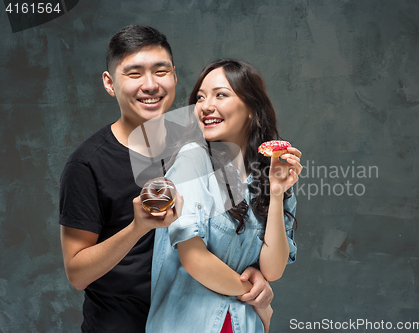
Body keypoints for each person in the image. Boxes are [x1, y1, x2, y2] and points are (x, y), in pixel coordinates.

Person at [59, 26, 274, 333]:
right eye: (134, 73)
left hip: (197, 321)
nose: (150, 85)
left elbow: (241, 228)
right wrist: (138, 227)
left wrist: (253, 280)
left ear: (174, 76)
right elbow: (77, 274)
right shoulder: (87, 163)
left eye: (161, 71)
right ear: (109, 83)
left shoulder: (208, 138)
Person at [147, 59, 303, 333]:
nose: (206, 106)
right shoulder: (191, 161)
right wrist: (259, 297)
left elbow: (273, 270)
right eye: (200, 97)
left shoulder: (269, 174)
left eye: (221, 94)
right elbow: (194, 259)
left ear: (252, 109)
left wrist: (277, 194)